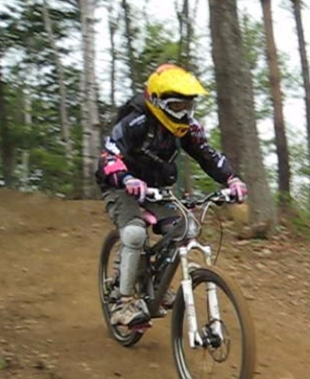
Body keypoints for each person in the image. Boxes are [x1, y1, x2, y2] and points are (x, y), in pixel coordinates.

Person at [97, 63, 247, 328]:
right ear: (157, 102)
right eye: (177, 107)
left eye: (189, 107)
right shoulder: (135, 123)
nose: (184, 114)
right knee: (135, 233)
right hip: (121, 186)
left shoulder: (188, 128)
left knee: (187, 228)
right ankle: (123, 302)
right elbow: (108, 155)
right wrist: (126, 178)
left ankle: (157, 284)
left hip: (156, 189)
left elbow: (208, 155)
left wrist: (231, 179)